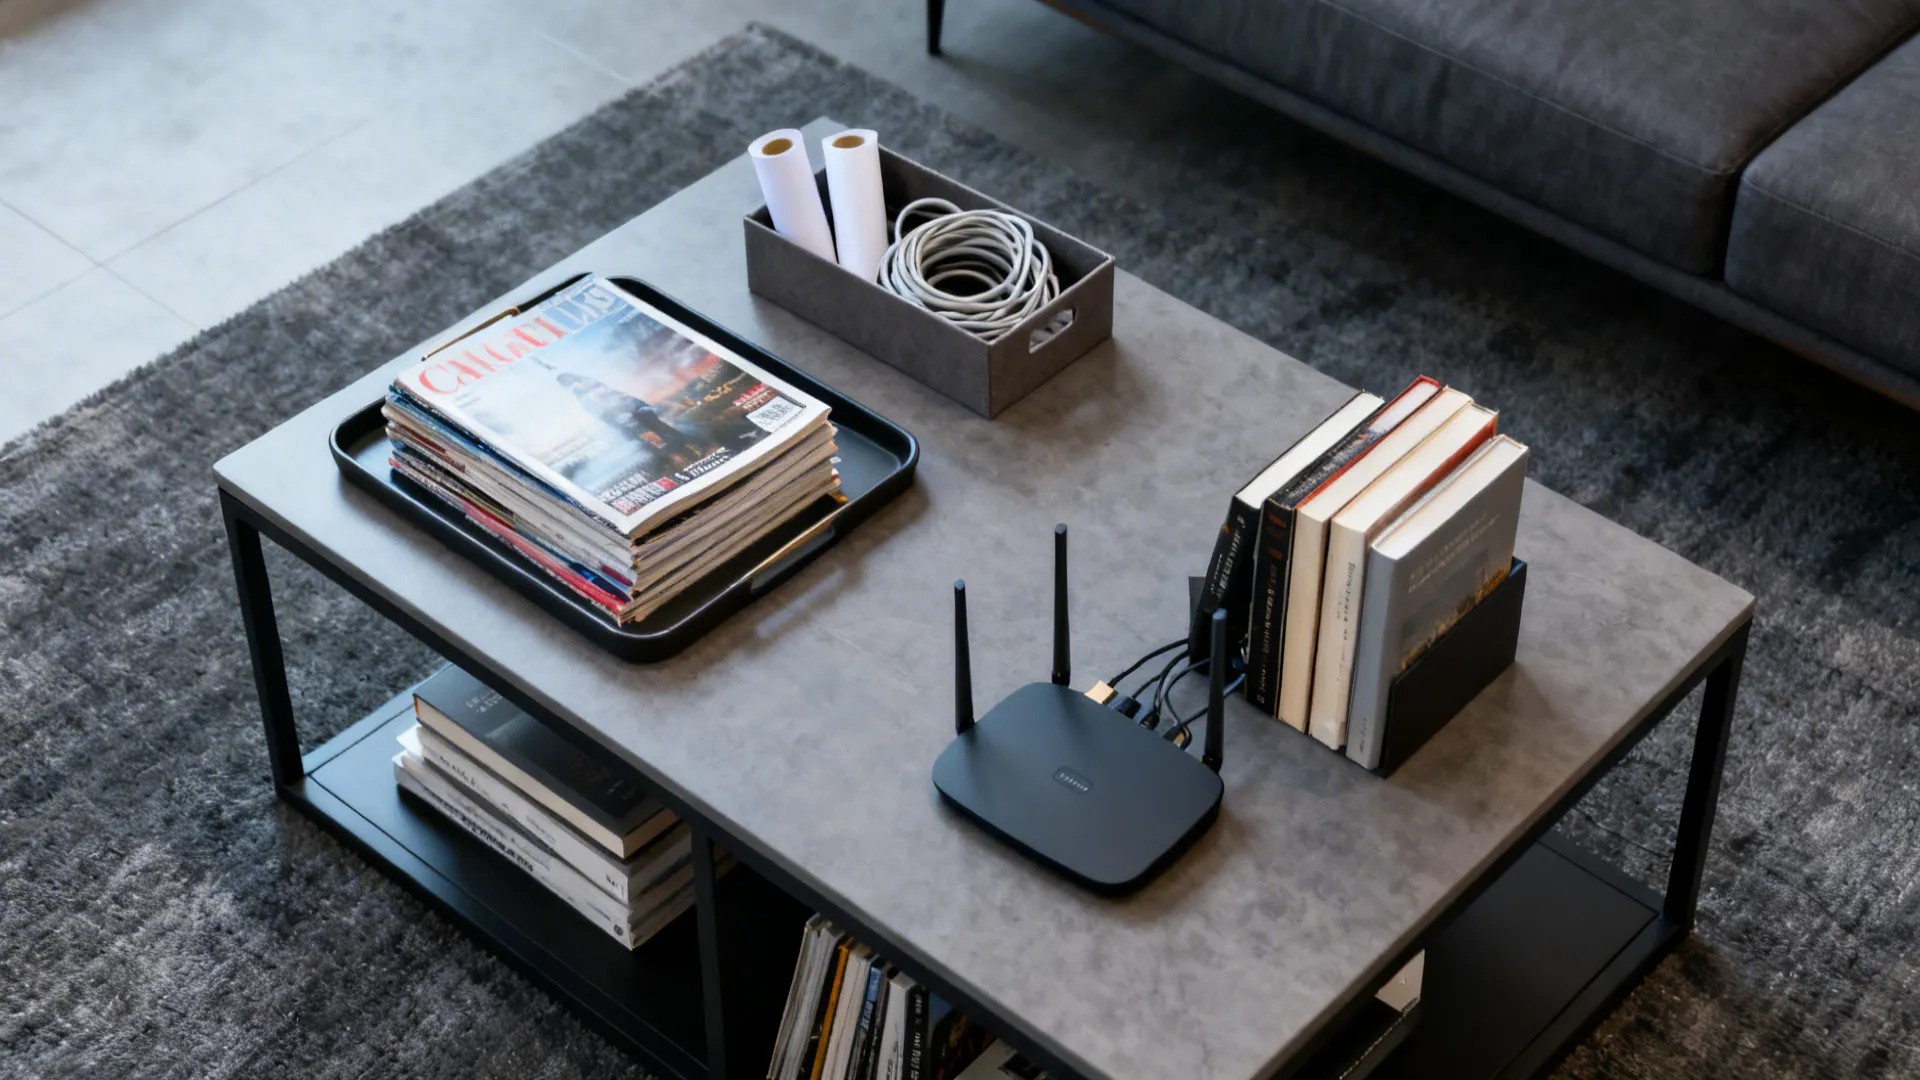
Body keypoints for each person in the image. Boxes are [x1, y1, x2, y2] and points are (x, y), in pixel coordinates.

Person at [555, 372, 712, 462]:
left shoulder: (585, 389)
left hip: (631, 413)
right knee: (660, 434)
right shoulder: (586, 388)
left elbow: (604, 407)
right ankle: (694, 449)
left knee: (660, 434)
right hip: (631, 412)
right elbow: (602, 409)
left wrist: (622, 422)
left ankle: (695, 447)